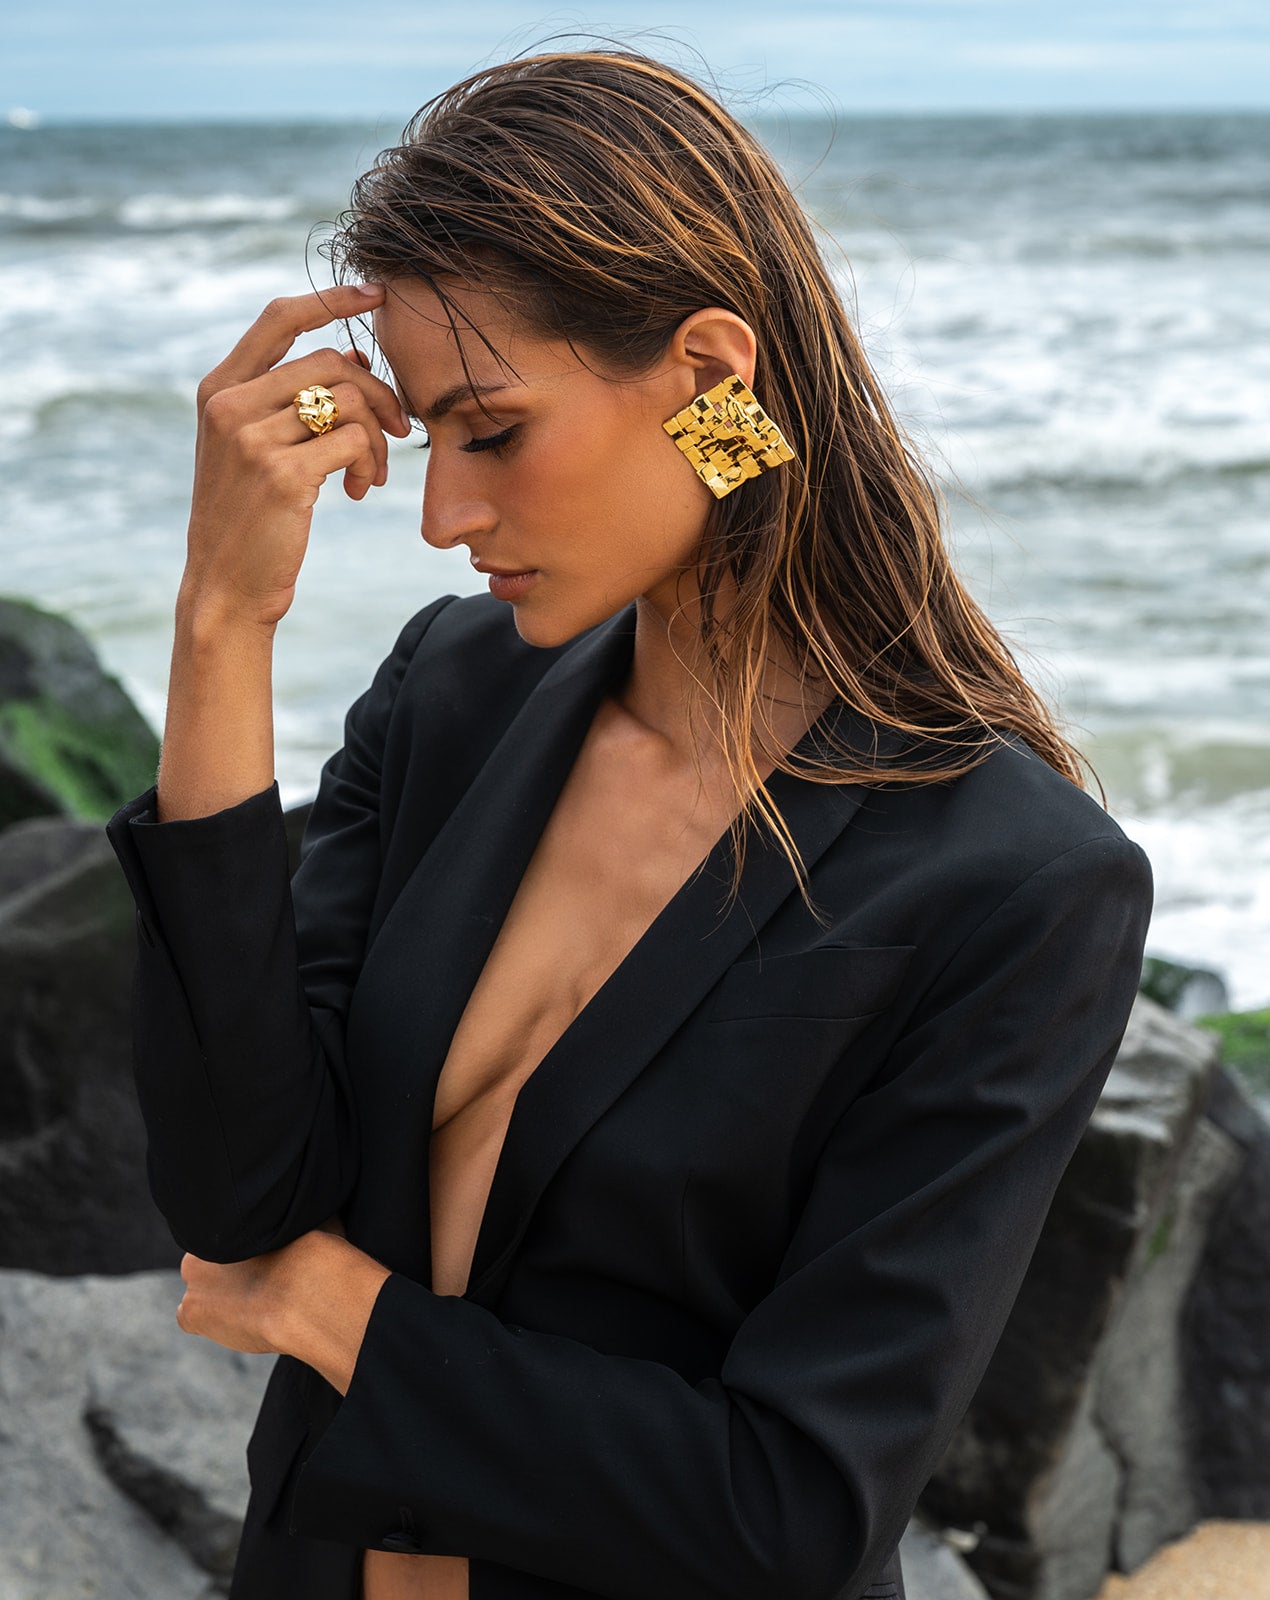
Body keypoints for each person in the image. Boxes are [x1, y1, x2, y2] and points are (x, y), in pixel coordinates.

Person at [105, 49, 1153, 1600]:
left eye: (495, 432)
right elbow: (238, 1190)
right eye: (427, 439)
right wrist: (222, 622)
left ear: (712, 380)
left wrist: (338, 1313)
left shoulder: (1012, 886)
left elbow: (788, 1506)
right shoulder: (449, 697)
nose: (441, 516)